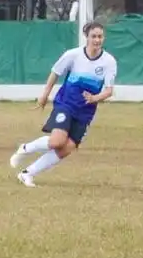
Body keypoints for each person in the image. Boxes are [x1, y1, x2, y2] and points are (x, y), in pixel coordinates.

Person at [10, 22, 117, 187]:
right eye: (93, 36)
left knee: (67, 148)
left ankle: (27, 174)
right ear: (86, 37)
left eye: (100, 36)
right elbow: (55, 72)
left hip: (85, 112)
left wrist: (95, 98)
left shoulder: (109, 61)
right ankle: (25, 148)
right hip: (66, 104)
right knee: (56, 142)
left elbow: (109, 90)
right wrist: (45, 94)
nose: (97, 40)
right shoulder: (73, 55)